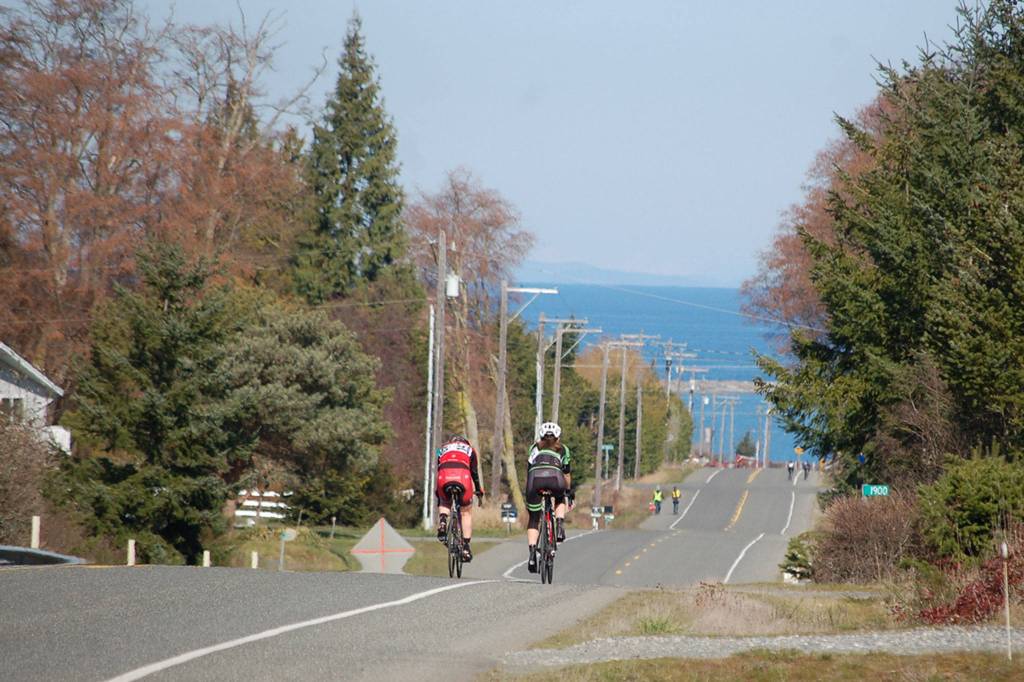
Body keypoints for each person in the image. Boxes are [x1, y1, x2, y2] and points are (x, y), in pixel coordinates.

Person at [525, 421, 571, 573]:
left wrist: (530, 492)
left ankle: (532, 554)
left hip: (535, 479)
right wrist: (568, 491)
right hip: (555, 478)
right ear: (558, 437)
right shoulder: (563, 449)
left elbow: (529, 469)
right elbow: (566, 473)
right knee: (560, 497)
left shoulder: (534, 448)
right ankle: (559, 526)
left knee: (533, 518)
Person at [435, 435, 484, 562]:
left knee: (444, 500)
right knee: (466, 512)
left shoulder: (443, 448)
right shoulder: (470, 449)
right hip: (463, 477)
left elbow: (439, 467)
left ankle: (443, 522)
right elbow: (474, 473)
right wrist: (478, 489)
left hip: (444, 476)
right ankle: (466, 547)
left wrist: (438, 492)